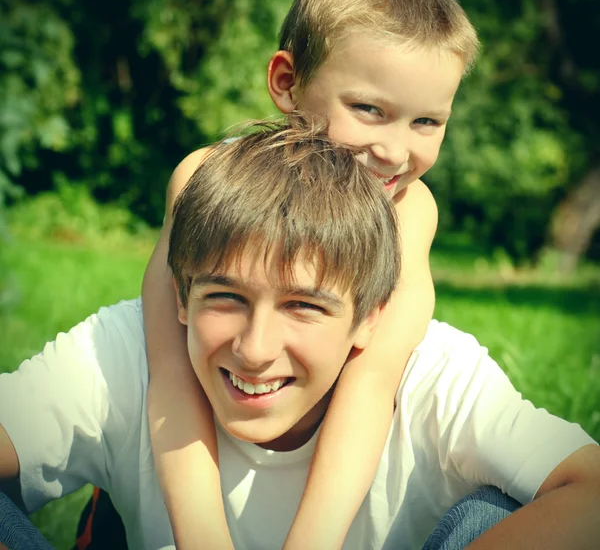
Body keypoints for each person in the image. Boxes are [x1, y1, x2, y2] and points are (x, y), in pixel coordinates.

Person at [0, 119, 598, 550]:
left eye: (304, 307)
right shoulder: (125, 350)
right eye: (226, 297)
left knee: (501, 510)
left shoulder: (431, 376)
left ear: (371, 318)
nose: (255, 349)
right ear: (180, 297)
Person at [142, 0, 480, 548]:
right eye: (369, 109)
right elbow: (170, 369)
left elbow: (370, 383)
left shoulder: (410, 212)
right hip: (173, 467)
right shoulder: (205, 180)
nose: (396, 151)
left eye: (427, 121)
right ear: (287, 82)